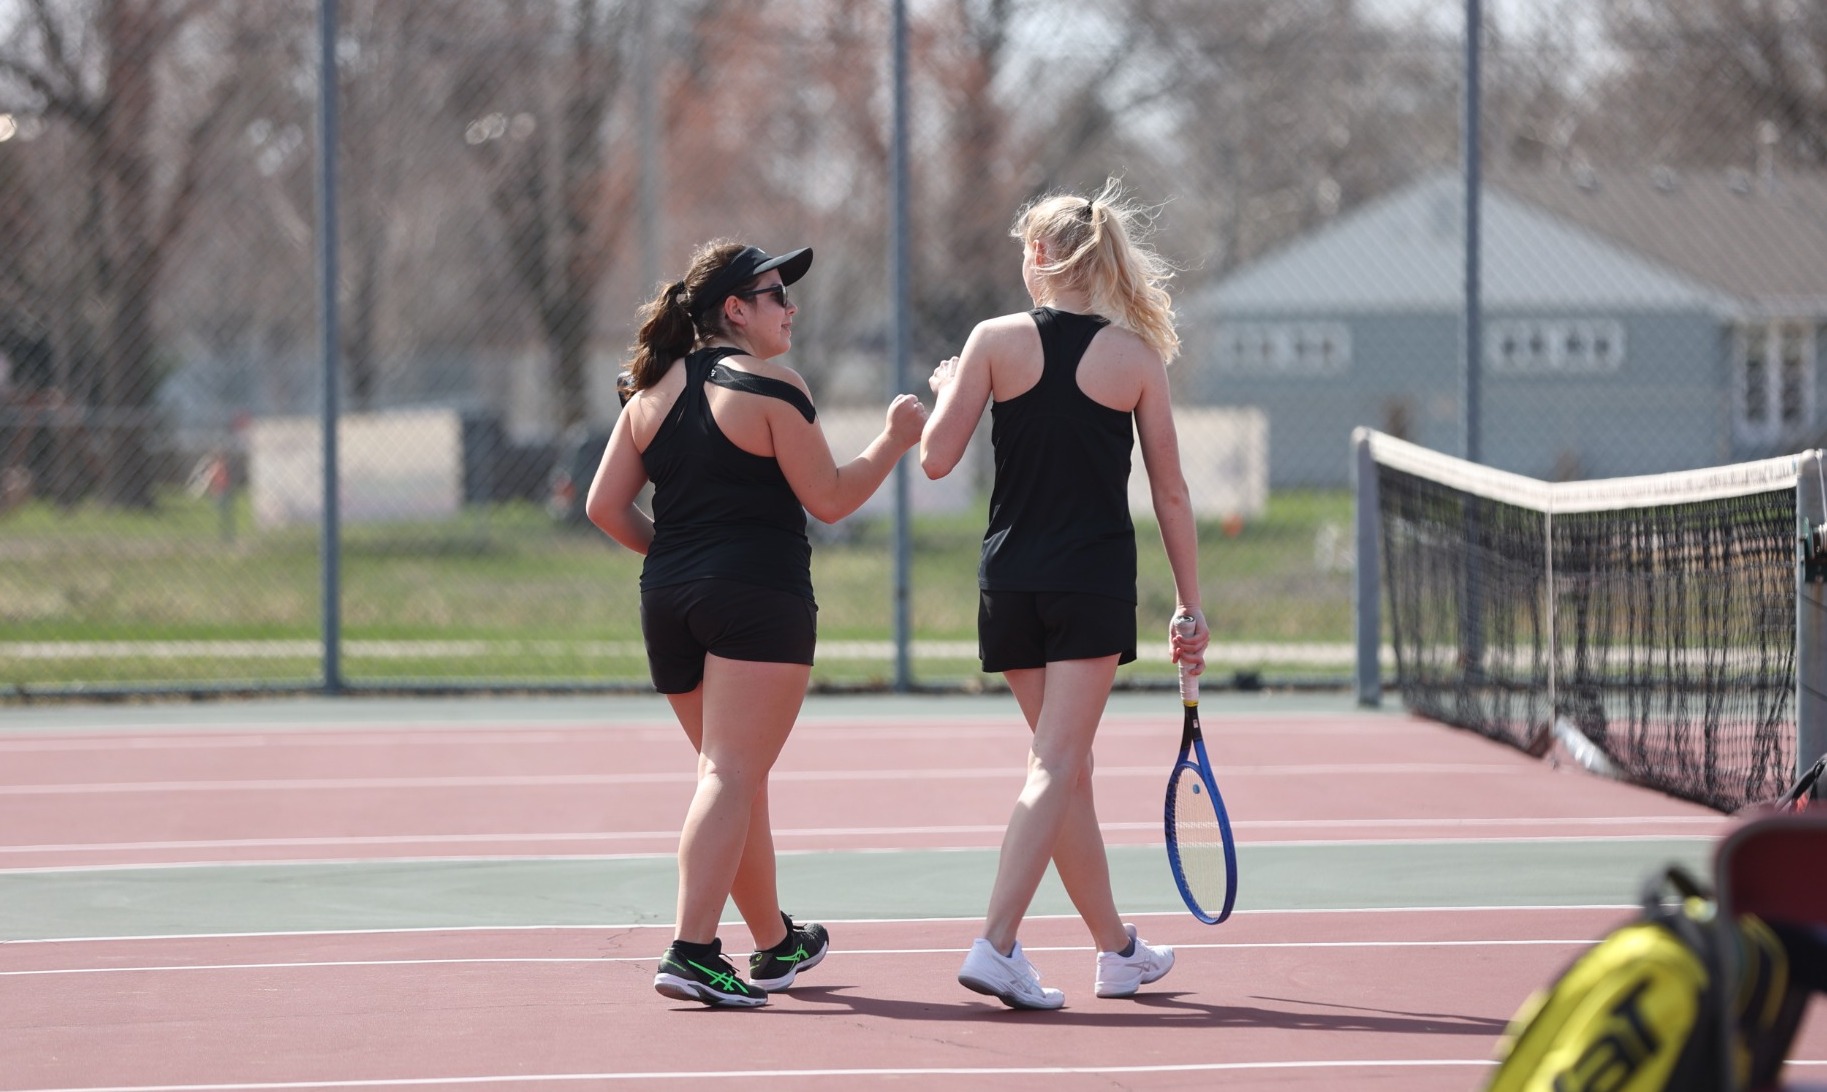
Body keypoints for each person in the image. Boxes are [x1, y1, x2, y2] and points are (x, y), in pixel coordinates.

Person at [587, 240, 927, 1007]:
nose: (790, 306)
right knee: (730, 775)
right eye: (776, 294)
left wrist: (680, 558)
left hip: (668, 600)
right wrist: (894, 440)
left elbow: (602, 507)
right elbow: (832, 497)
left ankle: (775, 943)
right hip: (757, 596)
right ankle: (692, 950)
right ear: (734, 310)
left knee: (736, 781)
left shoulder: (646, 390)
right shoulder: (772, 383)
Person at [919, 180, 1209, 1009]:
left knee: (1068, 768)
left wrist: (949, 390)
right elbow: (1172, 493)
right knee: (1057, 763)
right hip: (1087, 583)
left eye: (1023, 247)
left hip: (1008, 581)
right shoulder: (1134, 358)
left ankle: (1116, 950)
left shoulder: (991, 341)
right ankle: (996, 942)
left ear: (1041, 256)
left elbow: (935, 459)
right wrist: (1189, 602)